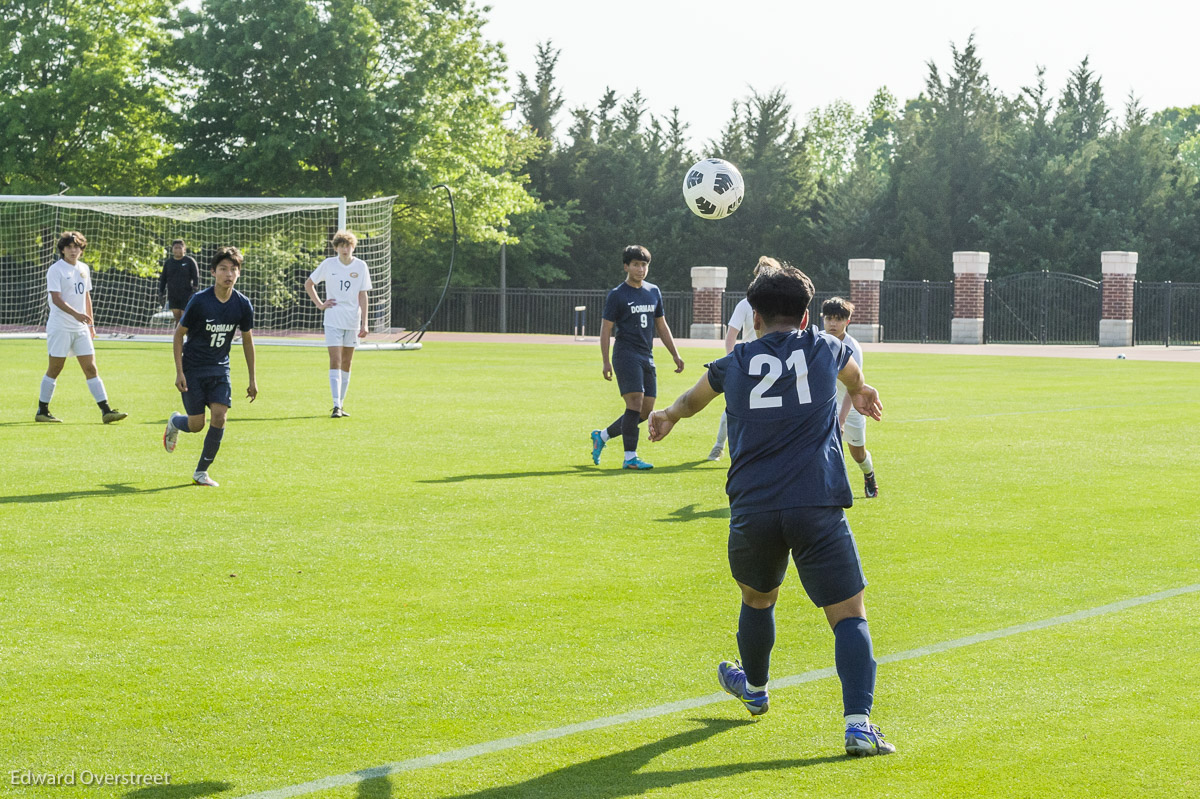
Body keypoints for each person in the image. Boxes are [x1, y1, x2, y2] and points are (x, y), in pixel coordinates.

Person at [647, 262, 894, 757]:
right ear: (807, 319)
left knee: (758, 599)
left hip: (753, 506)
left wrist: (667, 415)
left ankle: (755, 691)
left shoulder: (734, 362)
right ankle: (859, 725)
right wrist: (861, 390)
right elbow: (852, 373)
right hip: (816, 501)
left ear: (754, 317)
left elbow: (693, 401)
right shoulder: (827, 346)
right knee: (848, 616)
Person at [162, 246, 257, 487]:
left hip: (219, 370)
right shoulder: (200, 301)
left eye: (233, 269)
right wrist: (179, 371)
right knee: (196, 425)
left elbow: (247, 340)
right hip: (193, 369)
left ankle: (201, 472)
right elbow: (178, 335)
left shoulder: (243, 304)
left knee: (219, 416)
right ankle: (175, 422)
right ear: (213, 272)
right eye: (223, 269)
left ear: (239, 274)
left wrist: (252, 378)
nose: (229, 273)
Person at [589, 245, 684, 470]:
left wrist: (675, 354)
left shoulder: (653, 292)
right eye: (636, 264)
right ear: (626, 266)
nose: (640, 269)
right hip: (625, 354)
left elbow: (662, 326)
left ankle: (601, 437)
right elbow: (605, 330)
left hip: (646, 356)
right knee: (635, 403)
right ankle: (630, 457)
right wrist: (605, 360)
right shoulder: (617, 295)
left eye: (644, 265)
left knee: (645, 410)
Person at [35, 231, 127, 424]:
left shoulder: (84, 268)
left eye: (76, 247)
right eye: (69, 247)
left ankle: (106, 410)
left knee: (91, 368)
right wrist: (76, 314)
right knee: (55, 369)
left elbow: (86, 297)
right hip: (60, 327)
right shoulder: (56, 269)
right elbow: (56, 299)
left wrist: (91, 324)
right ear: (62, 249)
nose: (73, 250)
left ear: (81, 249)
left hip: (81, 329)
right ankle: (42, 411)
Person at [706, 256, 779, 461]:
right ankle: (719, 446)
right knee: (735, 407)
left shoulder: (782, 302)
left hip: (775, 362)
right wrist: (733, 363)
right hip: (751, 362)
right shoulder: (745, 304)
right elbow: (731, 336)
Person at [304, 230, 371, 418]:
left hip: (352, 320)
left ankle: (341, 404)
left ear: (353, 247)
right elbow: (309, 284)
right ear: (336, 248)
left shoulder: (361, 266)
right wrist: (320, 305)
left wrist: (365, 323)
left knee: (348, 362)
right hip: (333, 319)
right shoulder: (328, 264)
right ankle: (335, 405)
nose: (344, 249)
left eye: (348, 245)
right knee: (335, 360)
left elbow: (363, 295)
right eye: (341, 245)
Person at [821, 297, 878, 498]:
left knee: (858, 455)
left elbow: (852, 389)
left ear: (847, 321)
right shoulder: (817, 340)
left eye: (838, 319)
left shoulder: (853, 348)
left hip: (851, 406)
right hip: (824, 405)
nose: (833, 324)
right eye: (829, 318)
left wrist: (842, 420)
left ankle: (869, 474)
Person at [158, 239, 201, 323]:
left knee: (185, 317)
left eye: (179, 248)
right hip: (173, 295)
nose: (177, 250)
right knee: (177, 318)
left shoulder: (189, 261)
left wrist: (195, 290)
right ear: (172, 249)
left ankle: (190, 334)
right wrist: (161, 292)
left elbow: (196, 277)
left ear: (184, 249)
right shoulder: (168, 263)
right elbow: (163, 279)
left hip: (187, 294)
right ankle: (178, 336)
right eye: (175, 248)